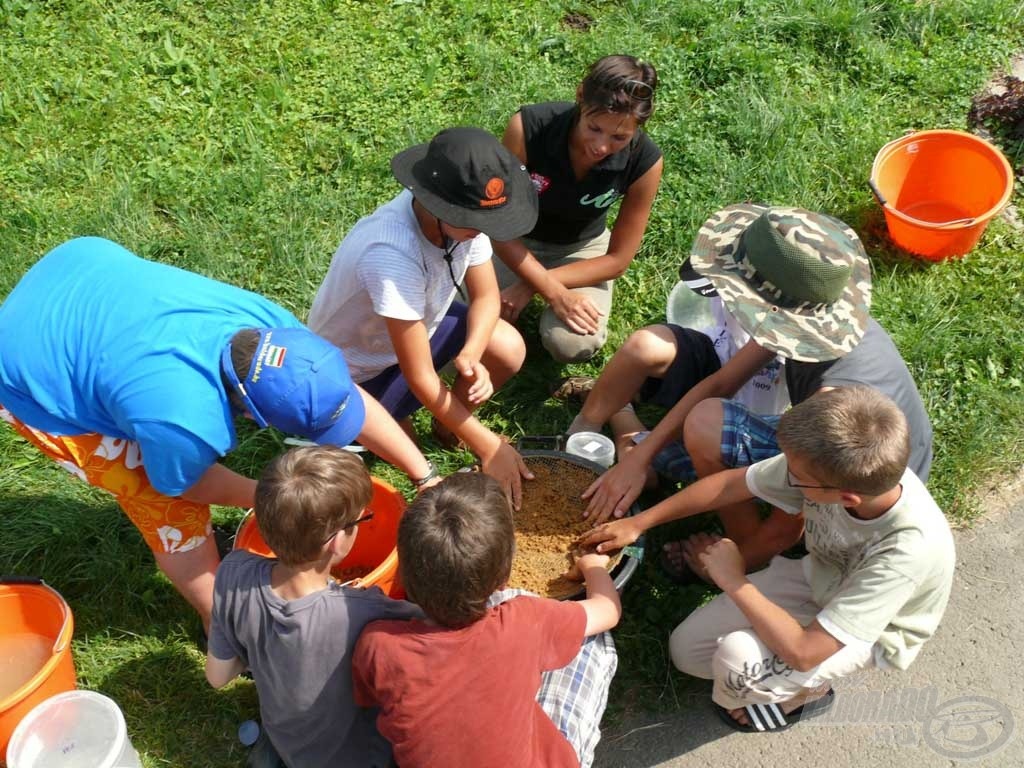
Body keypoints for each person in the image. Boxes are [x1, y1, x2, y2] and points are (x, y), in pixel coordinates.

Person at [0, 236, 436, 630]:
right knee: (160, 501)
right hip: (26, 360)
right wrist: (284, 502)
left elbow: (340, 394)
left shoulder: (277, 336)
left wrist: (424, 475)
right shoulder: (181, 421)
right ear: (250, 412)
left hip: (85, 271)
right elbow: (183, 486)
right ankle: (222, 625)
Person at [577, 205, 933, 583]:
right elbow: (719, 384)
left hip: (857, 482)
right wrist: (640, 458)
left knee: (705, 425)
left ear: (774, 306)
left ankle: (745, 549)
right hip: (830, 452)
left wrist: (726, 567)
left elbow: (790, 521)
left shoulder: (834, 413)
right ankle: (636, 438)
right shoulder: (807, 318)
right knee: (658, 447)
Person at [580, 387, 955, 732]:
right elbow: (732, 484)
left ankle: (807, 694)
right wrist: (640, 522)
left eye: (797, 476)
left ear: (846, 499)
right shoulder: (828, 471)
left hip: (873, 631)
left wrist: (733, 579)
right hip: (821, 574)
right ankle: (768, 666)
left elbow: (806, 651)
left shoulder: (906, 551)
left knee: (736, 658)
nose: (786, 476)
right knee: (688, 652)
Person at [308, 127, 538, 508]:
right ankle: (411, 422)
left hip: (412, 334)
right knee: (401, 444)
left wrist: (471, 353)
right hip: (357, 370)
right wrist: (490, 444)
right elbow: (419, 377)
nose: (483, 234)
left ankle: (449, 424)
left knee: (507, 345)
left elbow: (487, 298)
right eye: (474, 225)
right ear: (436, 205)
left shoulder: (466, 220)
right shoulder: (390, 252)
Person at [352, 472, 621, 768]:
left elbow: (368, 701)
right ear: (504, 578)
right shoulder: (526, 619)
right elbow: (607, 611)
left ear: (403, 573)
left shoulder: (378, 644)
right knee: (596, 641)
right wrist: (593, 566)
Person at [206, 445, 420, 768]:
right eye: (360, 520)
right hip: (359, 759)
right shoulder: (362, 611)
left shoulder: (233, 571)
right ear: (336, 541)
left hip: (289, 744)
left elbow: (217, 676)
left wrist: (261, 649)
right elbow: (435, 629)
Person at [492, 54, 664, 363]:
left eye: (619, 137)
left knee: (574, 343)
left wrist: (533, 286)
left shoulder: (645, 162)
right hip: (513, 239)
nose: (601, 146)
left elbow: (617, 260)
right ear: (580, 95)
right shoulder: (529, 128)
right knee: (463, 323)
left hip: (583, 248)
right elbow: (496, 222)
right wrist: (548, 288)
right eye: (594, 127)